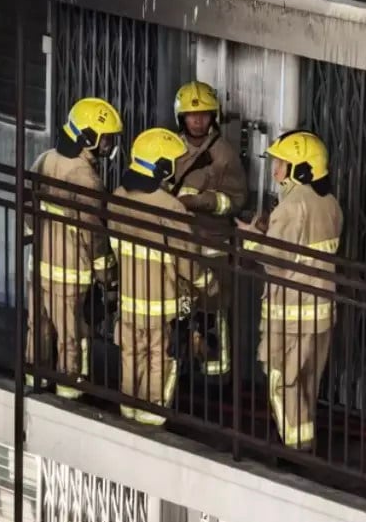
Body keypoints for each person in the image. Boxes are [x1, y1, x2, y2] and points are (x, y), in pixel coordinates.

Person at [237, 129, 343, 451]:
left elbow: (274, 260)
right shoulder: (331, 204)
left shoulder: (291, 206)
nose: (275, 171)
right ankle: (305, 444)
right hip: (322, 312)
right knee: (307, 383)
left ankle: (294, 450)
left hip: (291, 315)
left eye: (281, 164)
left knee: (280, 382)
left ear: (300, 168)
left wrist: (251, 237)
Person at [27, 97, 123, 399]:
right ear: (88, 137)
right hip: (70, 271)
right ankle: (70, 390)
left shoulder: (46, 159)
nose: (108, 144)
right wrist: (108, 275)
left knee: (38, 327)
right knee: (73, 334)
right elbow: (94, 234)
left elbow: (28, 213)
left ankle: (35, 381)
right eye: (105, 138)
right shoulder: (85, 177)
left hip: (39, 264)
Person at [108, 128, 200, 425]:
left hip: (129, 300)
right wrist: (206, 284)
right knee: (159, 358)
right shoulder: (171, 207)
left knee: (130, 356)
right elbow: (187, 260)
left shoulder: (119, 196)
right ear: (161, 167)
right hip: (162, 303)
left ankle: (128, 414)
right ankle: (151, 418)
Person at [170, 80, 248, 381]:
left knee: (215, 311)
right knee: (180, 310)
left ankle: (217, 375)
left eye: (203, 113)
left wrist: (201, 201)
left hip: (214, 245)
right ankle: (182, 368)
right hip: (180, 243)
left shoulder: (224, 154)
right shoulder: (170, 148)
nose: (198, 120)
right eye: (191, 114)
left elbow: (237, 199)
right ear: (182, 117)